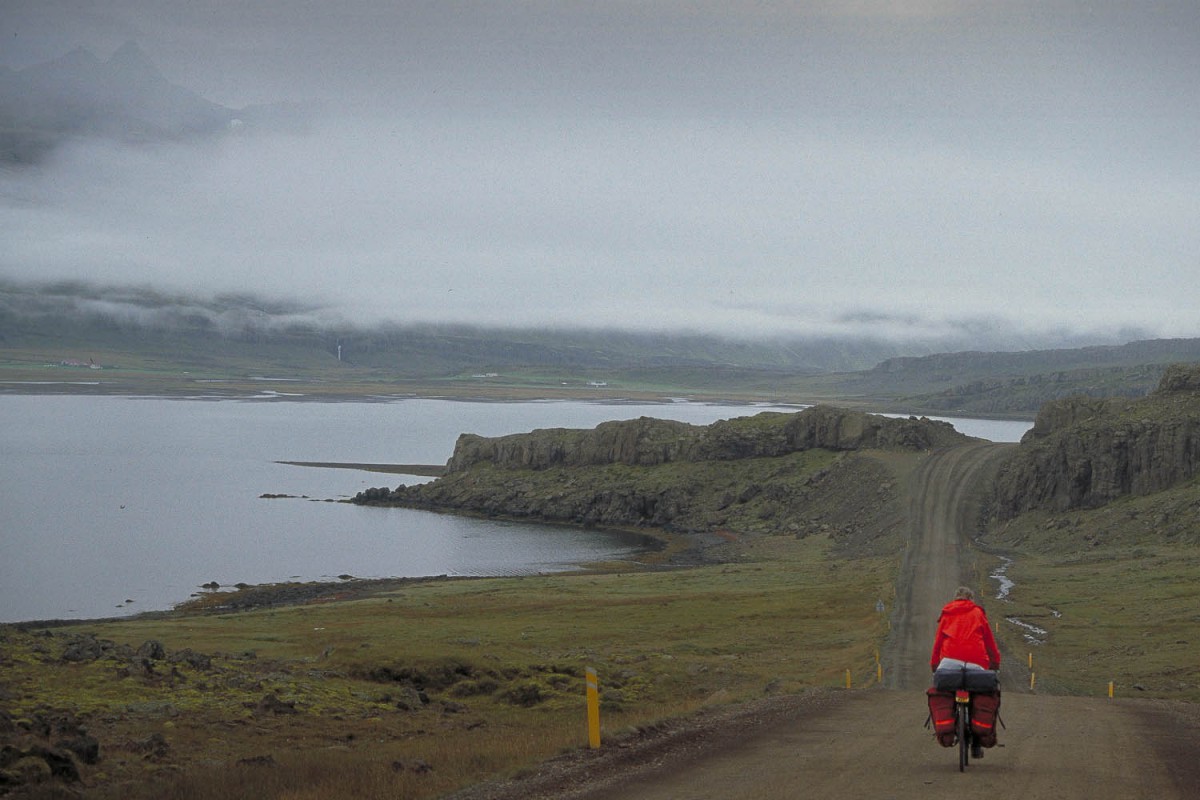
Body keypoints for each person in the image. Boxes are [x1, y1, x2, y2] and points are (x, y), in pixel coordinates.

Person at [931, 586, 1001, 759]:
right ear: (971, 599)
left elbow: (938, 642)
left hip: (949, 662)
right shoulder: (978, 613)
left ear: (955, 599)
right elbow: (989, 642)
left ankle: (951, 728)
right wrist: (995, 662)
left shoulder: (947, 613)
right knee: (979, 694)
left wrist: (934, 664)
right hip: (977, 663)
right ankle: (976, 743)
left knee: (948, 691)